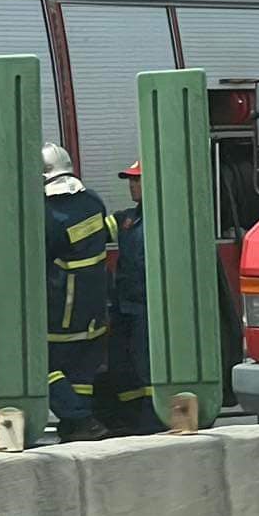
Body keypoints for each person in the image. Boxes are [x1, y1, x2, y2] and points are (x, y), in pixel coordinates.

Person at [42, 143, 116, 443]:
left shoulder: (48, 213)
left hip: (62, 308)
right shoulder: (93, 201)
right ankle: (75, 428)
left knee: (42, 367)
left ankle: (80, 418)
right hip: (95, 306)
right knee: (81, 372)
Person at [108, 161, 163, 434]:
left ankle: (153, 420)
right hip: (126, 306)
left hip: (147, 306)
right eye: (130, 180)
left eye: (137, 180)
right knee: (122, 363)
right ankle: (128, 418)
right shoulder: (129, 219)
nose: (132, 185)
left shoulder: (162, 220)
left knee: (146, 364)